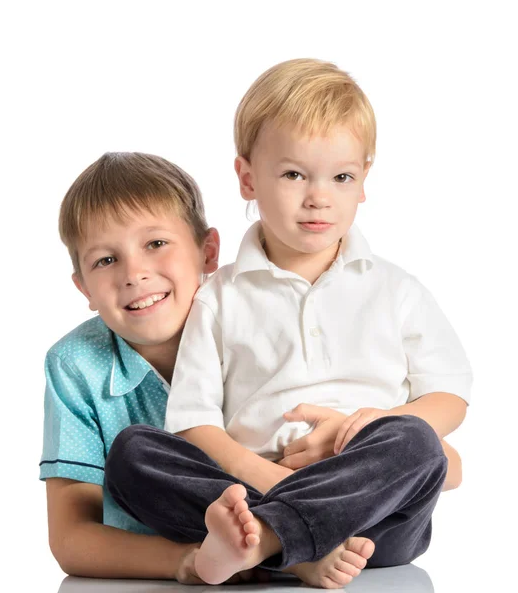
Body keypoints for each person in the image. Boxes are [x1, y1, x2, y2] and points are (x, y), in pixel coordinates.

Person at [104, 59, 472, 589]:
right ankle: (294, 548)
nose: (318, 196)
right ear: (248, 178)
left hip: (375, 520)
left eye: (341, 176)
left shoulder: (397, 290)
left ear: (364, 180)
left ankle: (271, 543)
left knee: (413, 439)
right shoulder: (221, 297)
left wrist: (361, 430)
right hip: (251, 488)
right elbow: (193, 421)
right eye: (294, 174)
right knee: (133, 453)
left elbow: (450, 397)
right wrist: (269, 479)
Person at [40, 151, 228, 583]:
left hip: (272, 525)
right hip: (156, 572)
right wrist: (188, 561)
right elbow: (71, 536)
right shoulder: (75, 365)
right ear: (84, 287)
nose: (134, 273)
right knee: (135, 450)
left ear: (208, 251)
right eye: (106, 260)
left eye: (155, 244)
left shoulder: (252, 323)